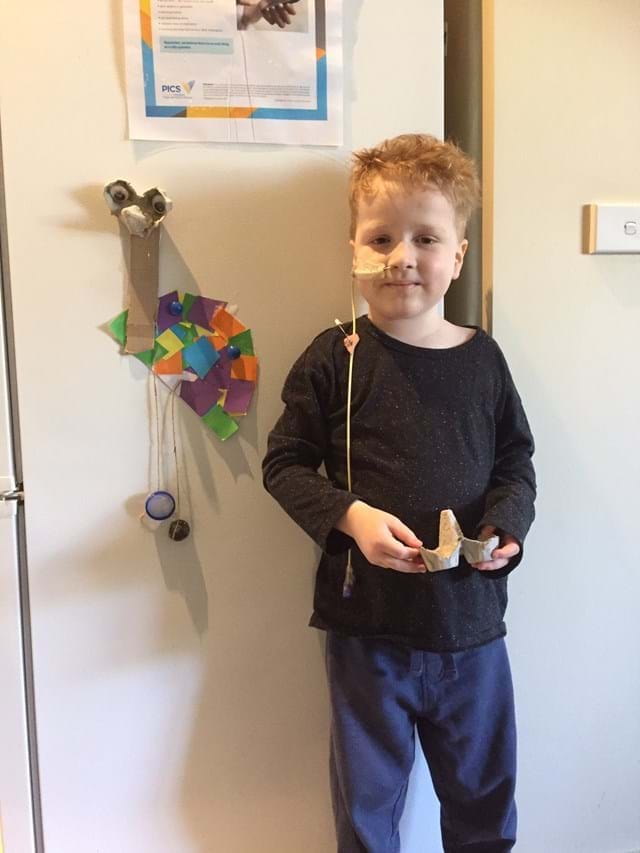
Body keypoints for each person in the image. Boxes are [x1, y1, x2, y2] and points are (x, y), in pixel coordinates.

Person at [262, 133, 536, 853]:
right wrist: (351, 517)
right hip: (367, 633)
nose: (401, 257)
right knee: (366, 811)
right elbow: (284, 463)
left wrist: (507, 526)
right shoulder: (335, 357)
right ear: (352, 249)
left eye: (426, 238)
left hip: (471, 630)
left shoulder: (483, 358)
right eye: (380, 238)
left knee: (485, 806)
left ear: (458, 256)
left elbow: (517, 461)